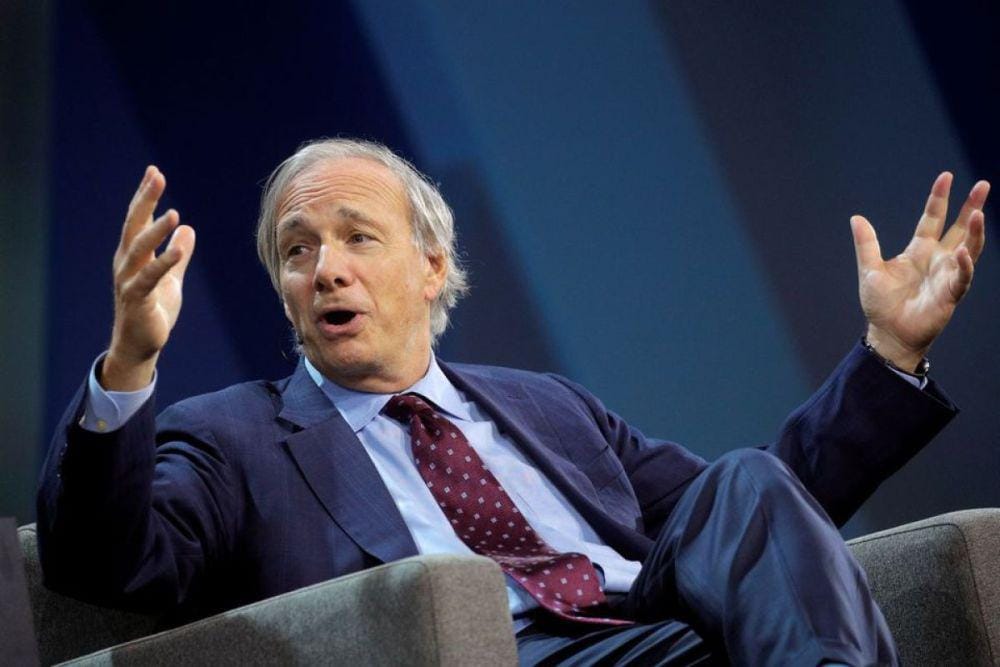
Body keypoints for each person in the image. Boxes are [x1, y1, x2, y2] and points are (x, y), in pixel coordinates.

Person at [37, 138, 988, 666]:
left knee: (743, 484)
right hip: (503, 653)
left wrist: (889, 354)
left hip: (649, 630)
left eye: (357, 237)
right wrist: (130, 360)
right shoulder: (232, 435)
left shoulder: (546, 405)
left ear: (432, 265)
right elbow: (102, 559)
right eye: (297, 250)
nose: (325, 268)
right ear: (284, 292)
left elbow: (754, 525)